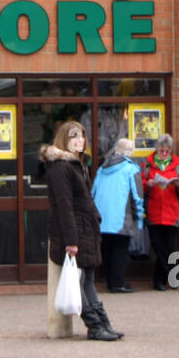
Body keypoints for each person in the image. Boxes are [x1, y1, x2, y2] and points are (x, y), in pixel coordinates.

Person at [42, 120, 121, 341]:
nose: (80, 140)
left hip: (85, 229)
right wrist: (71, 240)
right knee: (79, 279)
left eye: (82, 136)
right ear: (65, 140)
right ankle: (95, 326)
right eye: (74, 136)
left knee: (87, 278)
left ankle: (103, 323)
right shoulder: (61, 168)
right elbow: (64, 206)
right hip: (75, 231)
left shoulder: (77, 165)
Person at [90, 137, 145, 293]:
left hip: (103, 217)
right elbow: (137, 196)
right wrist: (139, 217)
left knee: (107, 249)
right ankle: (118, 283)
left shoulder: (102, 168)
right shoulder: (131, 169)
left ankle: (110, 282)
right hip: (122, 217)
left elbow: (93, 192)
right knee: (121, 251)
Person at [142, 134, 179, 291]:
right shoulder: (148, 165)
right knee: (158, 246)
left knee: (168, 247)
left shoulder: (177, 165)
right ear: (157, 150)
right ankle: (171, 276)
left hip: (171, 213)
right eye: (161, 150)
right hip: (153, 212)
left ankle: (159, 281)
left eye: (167, 151)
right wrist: (147, 184)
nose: (164, 153)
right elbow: (140, 186)